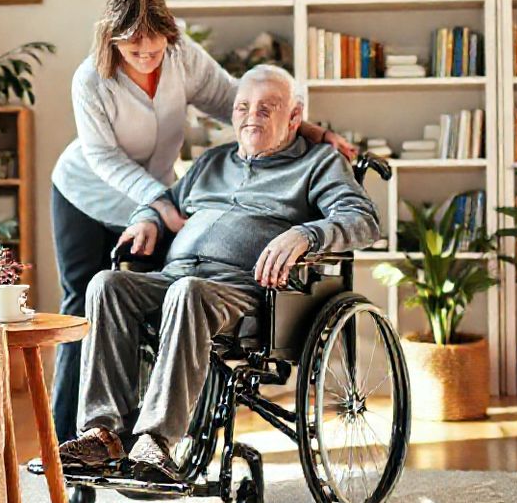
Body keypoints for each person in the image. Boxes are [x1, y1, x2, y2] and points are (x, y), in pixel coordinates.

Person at [48, 0, 356, 443]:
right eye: (134, 51)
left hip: (158, 199)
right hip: (86, 193)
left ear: (169, 36)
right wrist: (157, 208)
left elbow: (236, 100)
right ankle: (72, 443)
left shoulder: (182, 56)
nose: (147, 58)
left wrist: (306, 129)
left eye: (155, 48)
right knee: (85, 303)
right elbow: (104, 159)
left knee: (175, 296)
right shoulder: (90, 79)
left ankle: (152, 439)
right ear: (112, 41)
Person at [57, 65, 380, 481]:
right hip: (175, 277)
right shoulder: (213, 160)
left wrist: (305, 233)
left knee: (188, 292)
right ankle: (103, 434)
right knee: (106, 284)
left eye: (267, 109)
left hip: (246, 291)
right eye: (244, 107)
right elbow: (165, 201)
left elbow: (363, 219)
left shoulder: (317, 164)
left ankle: (156, 443)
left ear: (294, 118)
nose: (251, 116)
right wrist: (146, 221)